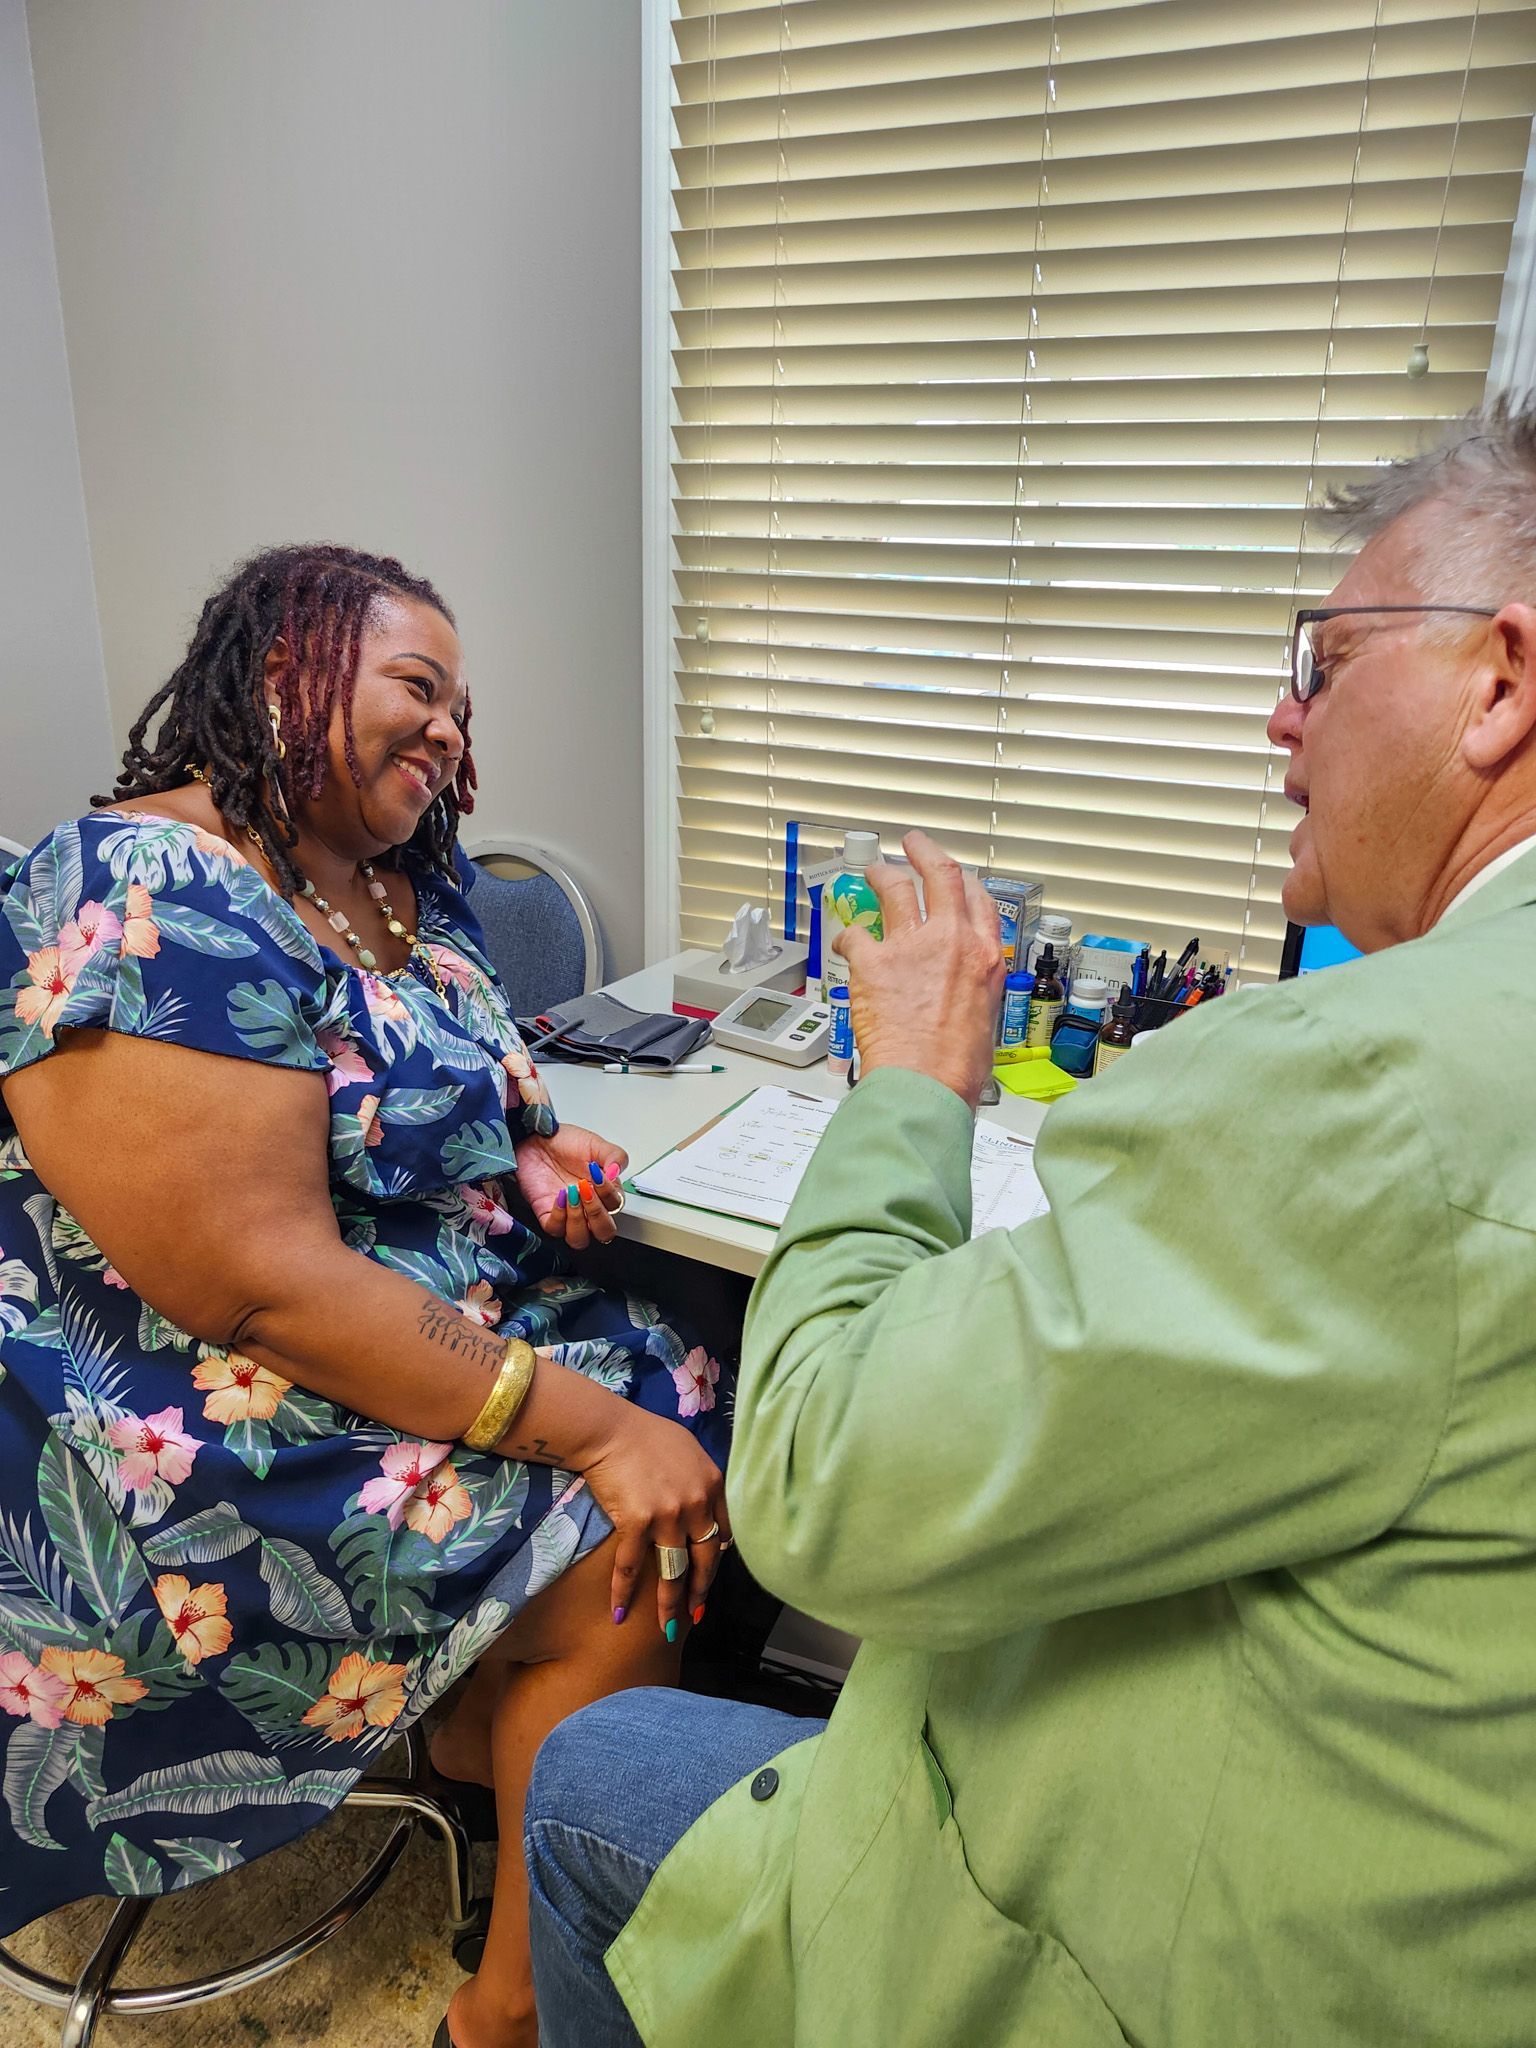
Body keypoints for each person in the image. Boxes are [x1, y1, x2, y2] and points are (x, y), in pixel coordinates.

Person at [524, 397, 1536, 2048]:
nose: (1282, 719)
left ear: (1500, 677)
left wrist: (913, 1074)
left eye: (1328, 663)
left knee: (600, 1781)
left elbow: (825, 1485)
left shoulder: (1369, 1080)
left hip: (1160, 1956)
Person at [0, 543, 731, 2048]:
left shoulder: (389, 883)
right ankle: (507, 2009)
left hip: (398, 1332)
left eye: (463, 710)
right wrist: (590, 1434)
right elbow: (257, 1287)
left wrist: (532, 1141)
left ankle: (497, 1734)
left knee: (713, 1362)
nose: (450, 732)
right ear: (283, 674)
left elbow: (434, 1073)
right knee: (619, 1521)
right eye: (418, 686)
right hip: (201, 1428)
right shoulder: (145, 883)